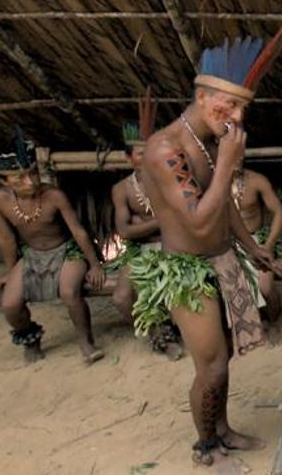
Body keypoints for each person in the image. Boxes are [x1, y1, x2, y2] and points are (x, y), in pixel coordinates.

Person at [132, 22, 282, 469]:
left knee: (223, 356)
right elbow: (200, 223)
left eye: (244, 108)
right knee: (212, 366)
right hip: (187, 268)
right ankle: (207, 446)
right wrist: (228, 162)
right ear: (201, 95)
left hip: (223, 258)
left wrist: (253, 246)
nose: (238, 118)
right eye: (231, 104)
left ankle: (222, 429)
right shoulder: (163, 150)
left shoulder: (207, 141)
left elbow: (223, 205)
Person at [0, 127, 106, 364]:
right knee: (10, 305)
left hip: (67, 251)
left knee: (70, 292)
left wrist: (94, 265)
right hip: (32, 255)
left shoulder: (53, 196)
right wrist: (11, 273)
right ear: (4, 181)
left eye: (33, 173)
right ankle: (30, 339)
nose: (30, 181)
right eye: (20, 177)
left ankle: (86, 341)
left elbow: (79, 232)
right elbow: (6, 238)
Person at [109, 88, 183, 360]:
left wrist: (150, 222)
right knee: (121, 298)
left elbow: (183, 219)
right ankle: (158, 334)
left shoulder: (173, 179)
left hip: (174, 244)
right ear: (129, 158)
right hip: (140, 251)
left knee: (180, 286)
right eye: (141, 153)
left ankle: (183, 331)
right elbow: (126, 231)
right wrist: (161, 220)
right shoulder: (122, 190)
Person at [231, 164, 282, 345]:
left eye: (241, 153)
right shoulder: (213, 182)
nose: (238, 158)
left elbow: (279, 212)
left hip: (258, 243)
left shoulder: (256, 180)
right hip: (229, 245)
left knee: (265, 287)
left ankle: (274, 322)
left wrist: (268, 245)